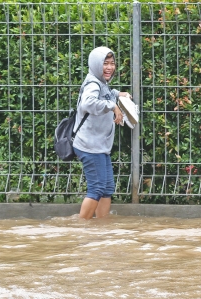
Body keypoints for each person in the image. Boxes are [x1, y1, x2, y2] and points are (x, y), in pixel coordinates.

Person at [73, 46, 133, 219]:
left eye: (112, 63)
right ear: (95, 64)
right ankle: (81, 226)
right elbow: (88, 103)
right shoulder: (93, 83)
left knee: (107, 188)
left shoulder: (101, 83)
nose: (109, 67)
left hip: (99, 145)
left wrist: (117, 94)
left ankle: (102, 226)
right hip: (90, 145)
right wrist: (113, 106)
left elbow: (106, 93)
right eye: (105, 63)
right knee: (97, 188)